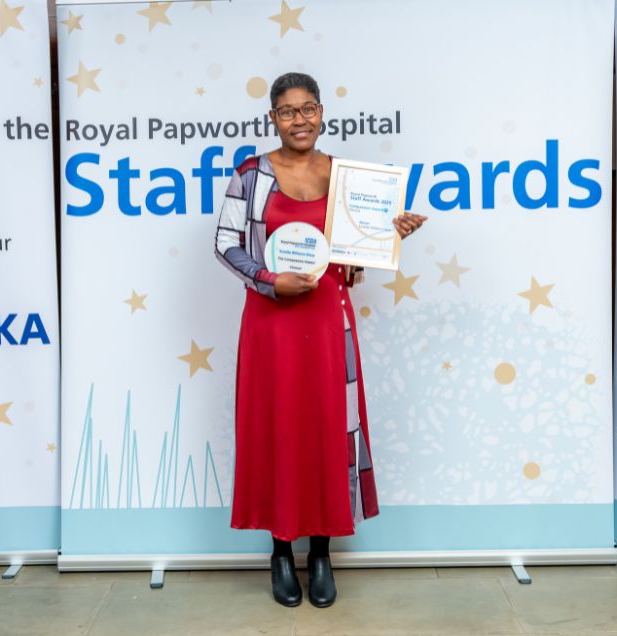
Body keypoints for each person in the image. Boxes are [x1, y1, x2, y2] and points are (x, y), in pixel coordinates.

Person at [213, 72, 427, 608]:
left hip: (329, 319)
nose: (299, 120)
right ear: (273, 118)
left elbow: (351, 255)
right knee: (277, 428)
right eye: (287, 112)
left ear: (321, 112)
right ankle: (281, 551)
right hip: (270, 323)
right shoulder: (251, 175)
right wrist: (269, 280)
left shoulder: (346, 177)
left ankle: (323, 552)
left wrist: (387, 235)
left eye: (308, 108)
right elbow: (225, 243)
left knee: (327, 429)